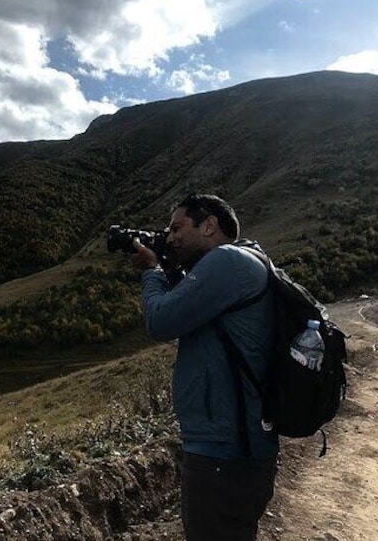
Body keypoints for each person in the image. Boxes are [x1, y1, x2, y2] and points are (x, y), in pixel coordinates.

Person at [132, 193, 278, 541]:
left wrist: (152, 273)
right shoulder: (245, 261)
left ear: (209, 225)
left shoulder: (226, 262)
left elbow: (161, 321)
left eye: (177, 227)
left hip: (223, 454)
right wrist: (170, 268)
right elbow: (194, 309)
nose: (169, 237)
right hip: (236, 448)